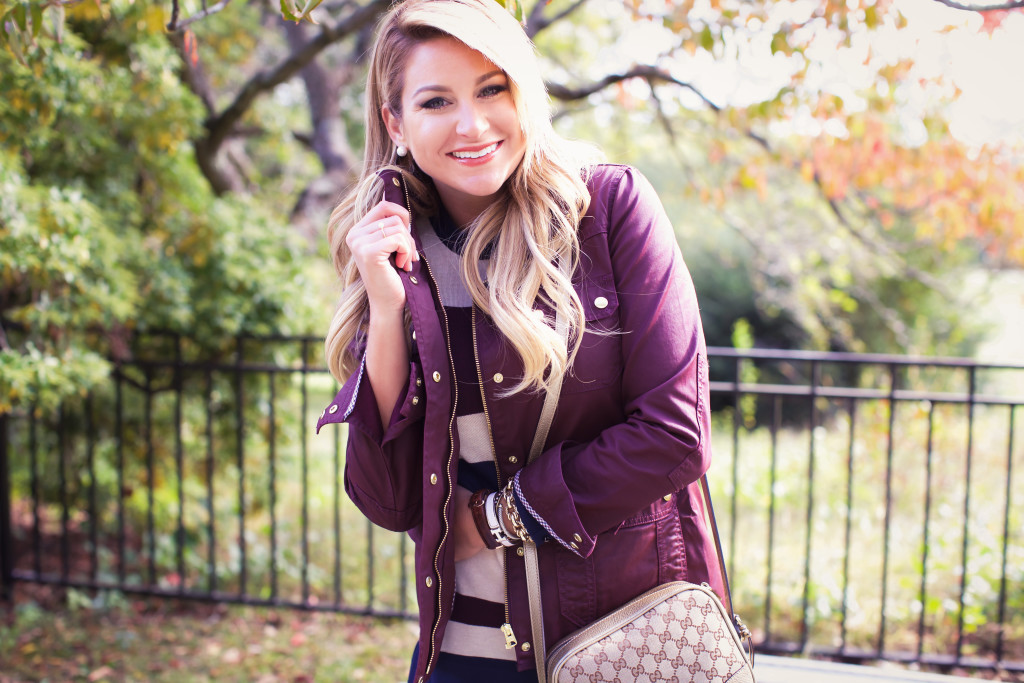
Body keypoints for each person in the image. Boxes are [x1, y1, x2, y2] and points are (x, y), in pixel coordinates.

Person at [317, 1, 723, 681]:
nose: (471, 124)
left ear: (523, 94)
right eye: (436, 100)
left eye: (491, 89)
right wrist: (386, 314)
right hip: (460, 657)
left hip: (615, 648)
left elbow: (676, 434)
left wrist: (497, 516)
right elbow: (389, 502)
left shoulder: (609, 211)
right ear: (397, 122)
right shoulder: (392, 253)